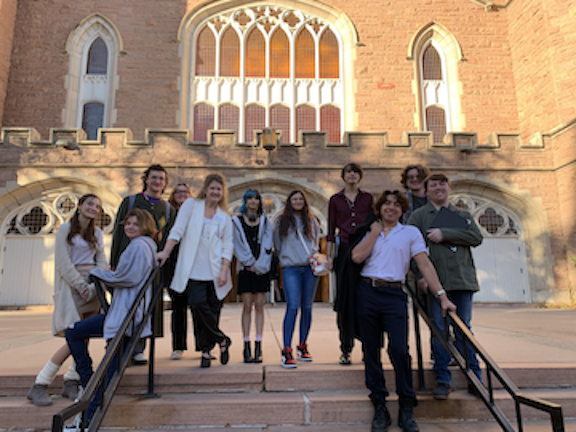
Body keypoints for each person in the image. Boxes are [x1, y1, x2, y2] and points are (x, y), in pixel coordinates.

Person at [351, 190, 456, 432]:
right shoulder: (370, 230)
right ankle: (379, 405)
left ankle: (406, 406)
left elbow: (425, 264)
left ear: (403, 209)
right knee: (371, 350)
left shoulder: (410, 233)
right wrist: (375, 233)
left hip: (394, 294)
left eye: (397, 204)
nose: (391, 207)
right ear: (379, 208)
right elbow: (357, 257)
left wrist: (441, 296)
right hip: (367, 292)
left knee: (399, 349)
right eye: (386, 204)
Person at [65, 209, 158, 429]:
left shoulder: (139, 246)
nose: (130, 227)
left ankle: (87, 413)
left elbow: (127, 278)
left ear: (144, 225)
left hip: (127, 315)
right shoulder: (144, 246)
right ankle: (88, 384)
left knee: (82, 340)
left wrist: (99, 273)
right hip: (123, 312)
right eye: (128, 224)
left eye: (135, 224)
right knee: (77, 335)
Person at [407, 173, 483, 400]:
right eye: (433, 185)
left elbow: (475, 237)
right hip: (434, 282)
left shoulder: (459, 214)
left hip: (461, 279)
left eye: (442, 184)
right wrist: (419, 274)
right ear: (427, 190)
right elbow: (410, 247)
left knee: (464, 328)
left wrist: (445, 233)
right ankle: (442, 378)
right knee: (439, 330)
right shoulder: (419, 216)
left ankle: (474, 377)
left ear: (449, 188)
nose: (438, 188)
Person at [27, 194, 107, 407]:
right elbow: (63, 262)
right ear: (80, 206)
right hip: (74, 287)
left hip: (93, 286)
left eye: (97, 206)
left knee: (85, 336)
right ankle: (40, 384)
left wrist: (95, 285)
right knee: (74, 335)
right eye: (90, 203)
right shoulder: (64, 230)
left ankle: (71, 381)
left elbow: (101, 261)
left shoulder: (97, 233)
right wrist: (81, 286)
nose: (93, 208)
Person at [157, 173, 234, 368]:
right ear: (206, 189)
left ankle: (206, 351)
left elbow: (228, 245)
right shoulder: (191, 206)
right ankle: (223, 339)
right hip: (193, 270)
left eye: (219, 189)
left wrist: (225, 269)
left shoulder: (225, 216)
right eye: (212, 188)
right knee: (197, 304)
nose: (215, 192)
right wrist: (165, 252)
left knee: (213, 311)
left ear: (223, 192)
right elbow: (177, 230)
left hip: (216, 271)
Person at [110, 164, 175, 364]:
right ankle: (117, 346)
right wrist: (113, 263)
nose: (157, 182)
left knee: (147, 307)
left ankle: (139, 348)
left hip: (152, 267)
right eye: (154, 177)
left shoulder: (167, 208)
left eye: (161, 179)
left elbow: (168, 238)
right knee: (123, 304)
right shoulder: (131, 202)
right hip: (128, 264)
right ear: (146, 179)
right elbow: (118, 233)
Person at [326, 162, 374, 365]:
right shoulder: (335, 200)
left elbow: (375, 225)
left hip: (365, 250)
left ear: (360, 176)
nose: (352, 175)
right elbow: (330, 231)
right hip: (344, 252)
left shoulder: (368, 198)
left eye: (356, 172)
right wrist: (329, 257)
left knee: (366, 300)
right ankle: (345, 348)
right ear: (343, 176)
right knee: (345, 301)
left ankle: (367, 347)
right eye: (348, 172)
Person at [273, 190, 320, 369]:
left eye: (301, 199)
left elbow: (315, 242)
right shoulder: (280, 222)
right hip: (291, 268)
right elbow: (277, 245)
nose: (298, 201)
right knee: (292, 307)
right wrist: (287, 258)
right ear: (289, 202)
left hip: (309, 269)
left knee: (307, 308)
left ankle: (302, 345)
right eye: (295, 199)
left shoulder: (312, 220)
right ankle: (286, 350)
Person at [232, 189, 273, 363]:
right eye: (250, 198)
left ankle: (259, 344)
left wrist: (260, 265)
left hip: (261, 269)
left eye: (256, 199)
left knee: (260, 305)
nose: (253, 202)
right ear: (245, 201)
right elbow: (236, 244)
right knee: (247, 306)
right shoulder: (236, 221)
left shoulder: (265, 221)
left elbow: (268, 244)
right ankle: (246, 345)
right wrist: (249, 263)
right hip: (246, 269)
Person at [165, 183, 193, 361]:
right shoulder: (168, 214)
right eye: (178, 191)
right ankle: (178, 347)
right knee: (178, 308)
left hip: (193, 266)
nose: (182, 194)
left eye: (185, 192)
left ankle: (204, 346)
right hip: (173, 266)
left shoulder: (196, 214)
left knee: (199, 307)